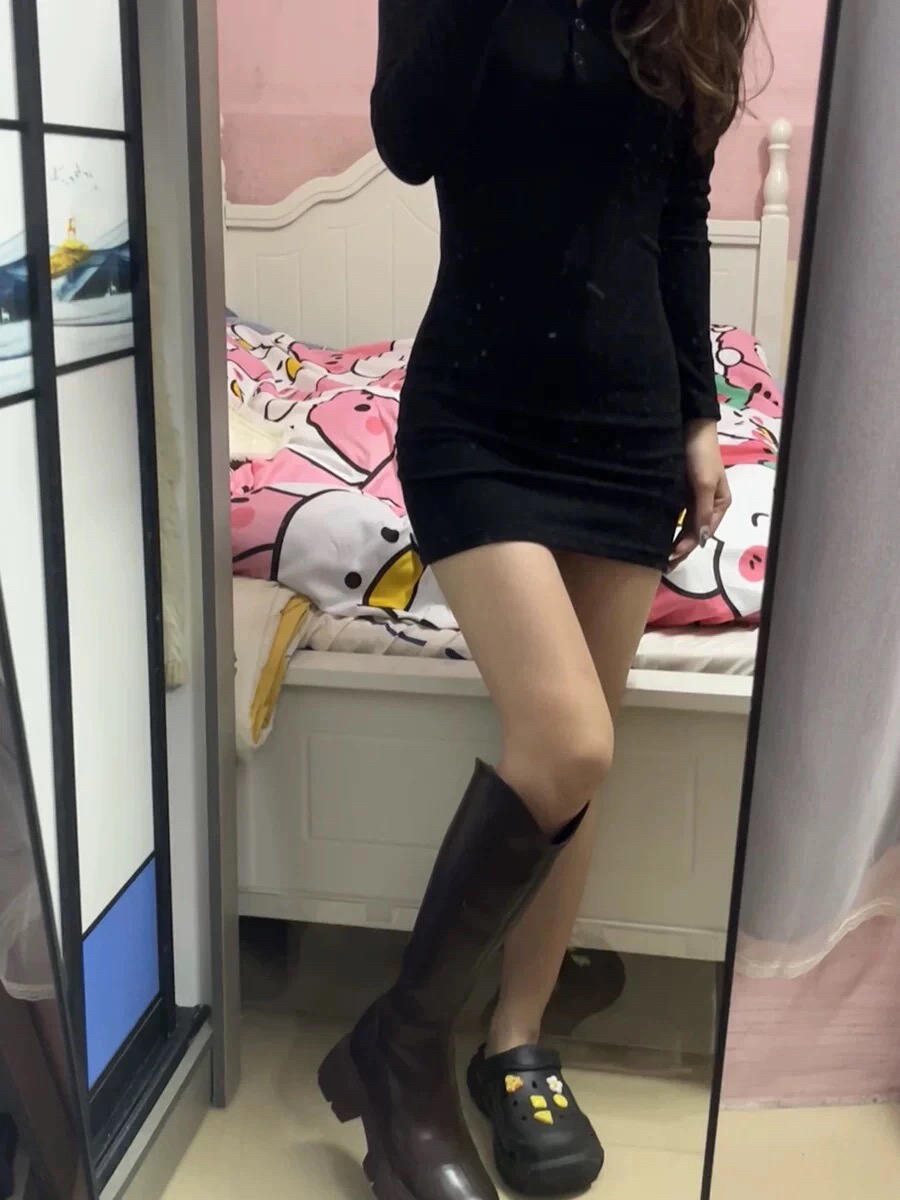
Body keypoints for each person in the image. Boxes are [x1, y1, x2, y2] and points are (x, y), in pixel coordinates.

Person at [320, 1, 755, 1196]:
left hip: (627, 424)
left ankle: (514, 1041)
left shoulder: (693, 5)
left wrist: (700, 418)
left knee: (581, 757)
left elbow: (679, 213)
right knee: (567, 739)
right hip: (477, 416)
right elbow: (409, 139)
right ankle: (403, 1047)